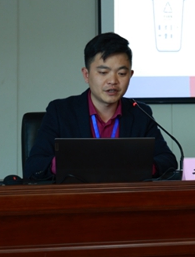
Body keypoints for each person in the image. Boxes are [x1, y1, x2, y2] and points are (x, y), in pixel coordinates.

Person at [24, 32, 178, 181]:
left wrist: (139, 165)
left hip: (125, 195)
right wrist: (69, 163)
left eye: (121, 73)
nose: (113, 81)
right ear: (86, 75)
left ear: (130, 75)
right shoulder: (60, 112)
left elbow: (168, 162)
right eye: (103, 72)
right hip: (76, 196)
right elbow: (33, 167)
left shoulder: (140, 113)